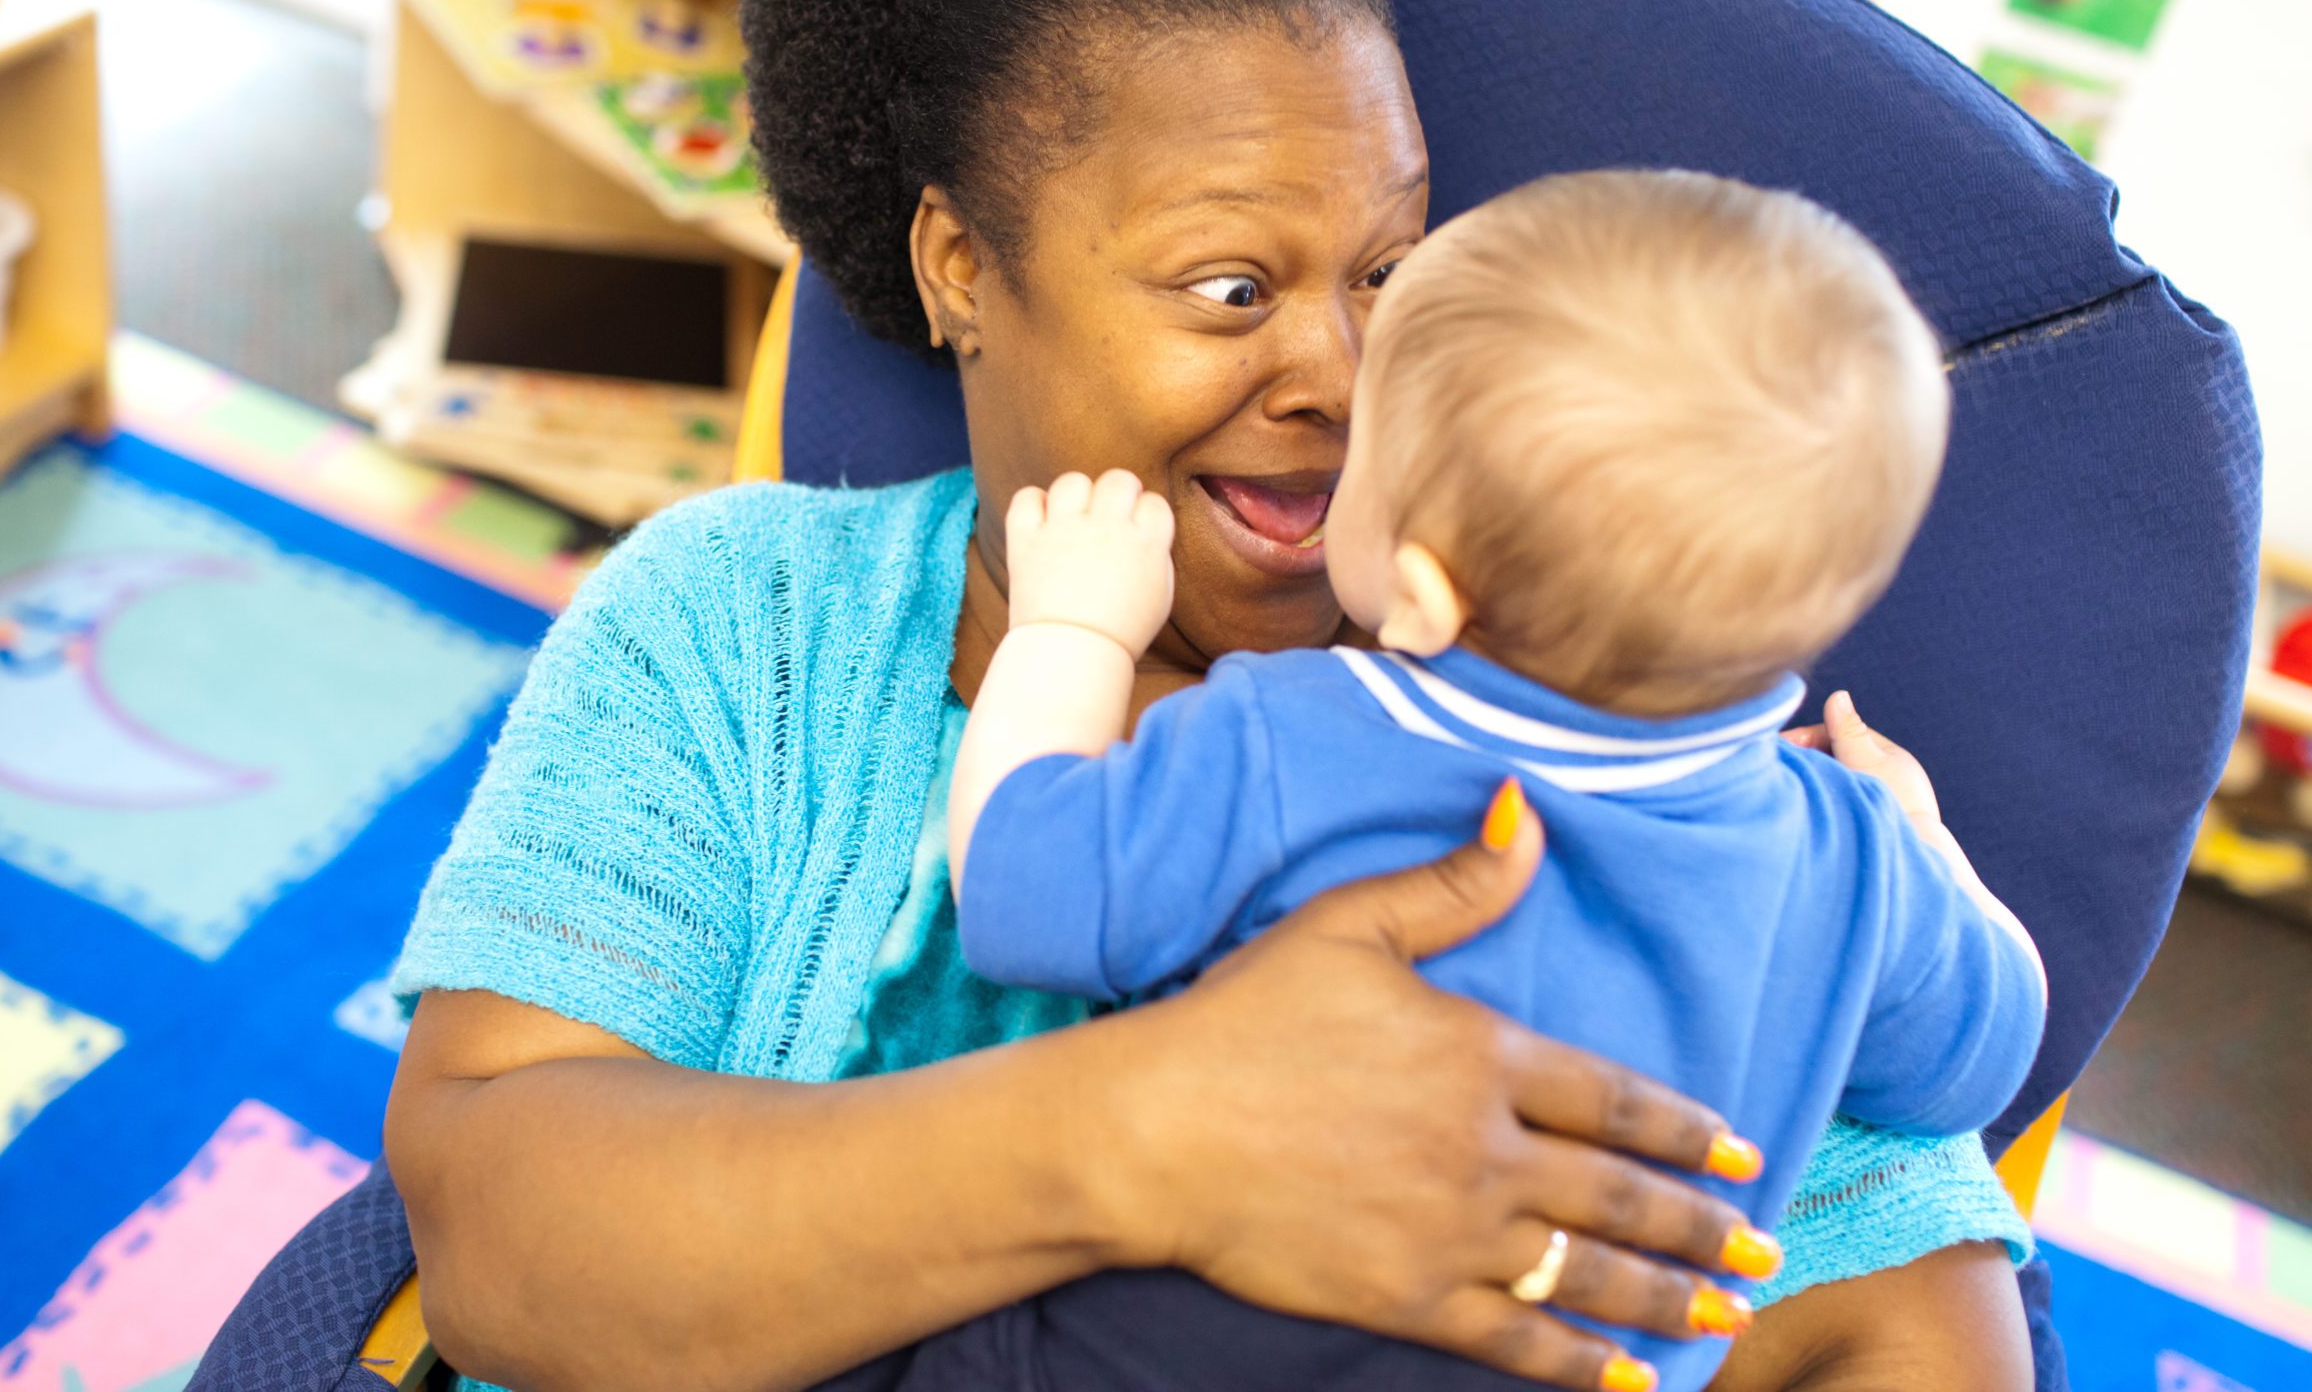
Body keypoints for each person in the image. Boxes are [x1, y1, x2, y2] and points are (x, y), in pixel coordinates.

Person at [383, 0, 2037, 1392]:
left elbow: (1908, 1300)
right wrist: (1141, 1128)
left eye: (1392, 269)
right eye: (1232, 285)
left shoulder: (1632, 740)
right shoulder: (743, 622)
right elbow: (500, 1233)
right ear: (964, 266)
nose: (1342, 369)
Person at [809, 172, 2046, 1392]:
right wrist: (1922, 844)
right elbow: (1974, 1066)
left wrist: (1070, 630)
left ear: (1424, 589)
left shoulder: (1301, 740)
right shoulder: (1854, 858)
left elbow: (1024, 899)